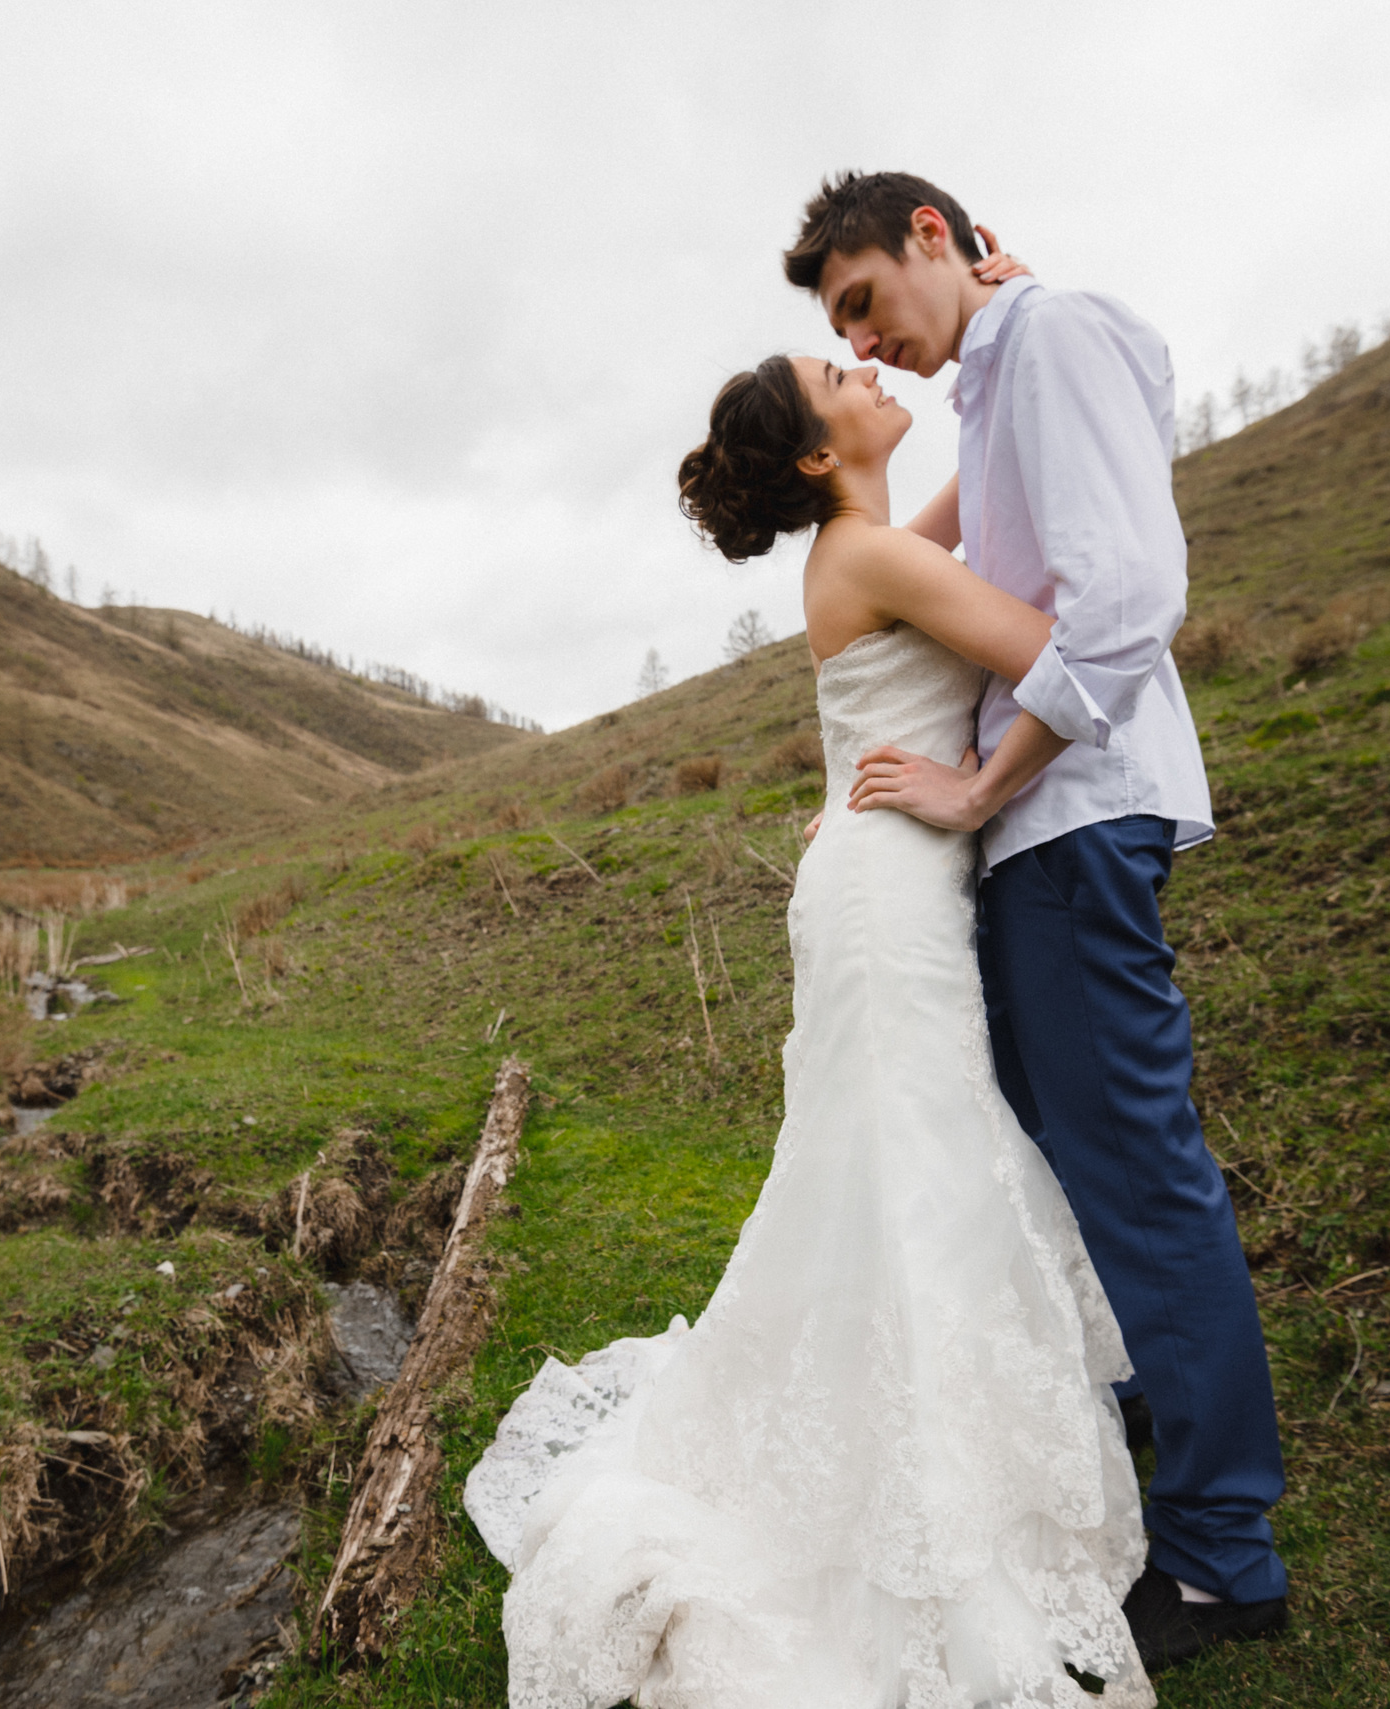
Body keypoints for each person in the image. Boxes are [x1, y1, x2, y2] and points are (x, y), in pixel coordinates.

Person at [460, 343, 1157, 1707]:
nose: (868, 368)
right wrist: (976, 786)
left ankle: (914, 1440)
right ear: (822, 454)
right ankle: (915, 1480)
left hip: (877, 884)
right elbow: (1049, 653)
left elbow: (972, 498)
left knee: (900, 1160)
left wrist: (1006, 360)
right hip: (889, 894)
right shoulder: (871, 553)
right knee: (910, 1164)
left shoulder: (868, 543)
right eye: (840, 373)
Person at [787, 171, 1290, 1669]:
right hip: (1041, 830)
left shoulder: (1049, 335)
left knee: (1134, 1170)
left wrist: (981, 781)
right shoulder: (1011, 361)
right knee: (1072, 1159)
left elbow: (1126, 598)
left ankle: (1221, 1555)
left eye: (862, 300)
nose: (864, 342)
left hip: (1068, 814)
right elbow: (1099, 454)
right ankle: (1133, 1447)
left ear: (930, 236)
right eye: (838, 333)